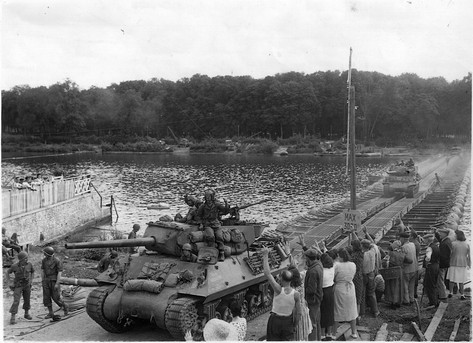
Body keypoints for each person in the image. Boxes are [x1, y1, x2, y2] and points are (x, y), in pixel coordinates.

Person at [262, 246, 301, 341]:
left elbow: (267, 273)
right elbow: (298, 313)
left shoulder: (278, 289)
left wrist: (265, 255)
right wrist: (294, 325)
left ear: (281, 279)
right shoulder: (296, 294)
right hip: (288, 321)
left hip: (275, 320)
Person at [196, 189, 230, 262]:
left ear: (212, 197)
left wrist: (226, 203)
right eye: (206, 196)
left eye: (209, 196)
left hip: (216, 223)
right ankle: (212, 252)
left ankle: (221, 253)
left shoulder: (216, 204)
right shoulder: (203, 206)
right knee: (210, 236)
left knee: (219, 236)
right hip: (207, 224)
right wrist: (201, 223)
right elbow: (198, 216)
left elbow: (225, 210)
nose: (208, 198)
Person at [333, 248, 358, 339]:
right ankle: (354, 332)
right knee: (352, 309)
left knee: (337, 310)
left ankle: (334, 332)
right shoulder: (353, 264)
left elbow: (334, 277)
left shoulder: (337, 265)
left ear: (340, 256)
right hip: (350, 287)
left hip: (340, 287)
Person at [6, 251, 35, 324]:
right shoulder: (14, 266)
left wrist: (31, 281)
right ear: (21, 259)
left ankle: (26, 313)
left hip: (27, 285)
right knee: (16, 301)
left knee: (27, 299)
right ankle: (13, 317)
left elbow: (32, 272)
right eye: (25, 258)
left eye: (27, 258)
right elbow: (7, 273)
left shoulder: (29, 264)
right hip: (18, 285)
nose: (27, 259)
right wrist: (9, 282)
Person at [288, 255, 312, 341]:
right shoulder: (301, 283)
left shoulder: (291, 290)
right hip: (303, 310)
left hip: (295, 313)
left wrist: (290, 256)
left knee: (296, 334)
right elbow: (297, 272)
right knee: (303, 334)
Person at [383, 240, 412, 308]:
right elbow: (410, 261)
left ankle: (393, 302)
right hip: (400, 271)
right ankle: (398, 302)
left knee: (392, 287)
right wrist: (403, 265)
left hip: (392, 271)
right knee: (399, 287)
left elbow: (386, 262)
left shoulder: (391, 253)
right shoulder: (402, 254)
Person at [41, 247, 68, 319]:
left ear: (48, 254)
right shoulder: (44, 260)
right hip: (46, 280)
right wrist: (43, 280)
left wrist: (57, 283)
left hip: (54, 280)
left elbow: (59, 272)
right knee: (46, 297)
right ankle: (50, 312)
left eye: (45, 253)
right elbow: (43, 270)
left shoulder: (57, 261)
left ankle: (65, 307)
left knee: (56, 297)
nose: (44, 254)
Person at [303, 248, 324, 340]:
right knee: (317, 321)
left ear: (308, 258)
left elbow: (311, 290)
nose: (304, 260)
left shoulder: (312, 271)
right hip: (318, 298)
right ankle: (318, 339)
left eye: (305, 258)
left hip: (312, 300)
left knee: (312, 324)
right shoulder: (319, 265)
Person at [447, 230, 470, 300]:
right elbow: (469, 256)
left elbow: (450, 253)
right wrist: (469, 264)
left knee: (451, 279)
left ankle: (450, 292)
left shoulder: (453, 244)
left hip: (453, 262)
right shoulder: (466, 244)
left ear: (457, 236)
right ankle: (462, 294)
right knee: (461, 280)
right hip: (463, 263)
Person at [360, 239, 380, 317]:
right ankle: (375, 311)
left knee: (362, 293)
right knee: (371, 293)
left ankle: (362, 312)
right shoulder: (373, 251)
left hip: (364, 275)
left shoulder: (362, 255)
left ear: (362, 246)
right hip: (371, 274)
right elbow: (373, 244)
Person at [320, 253, 335, 341]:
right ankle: (329, 333)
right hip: (330, 290)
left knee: (323, 312)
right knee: (330, 312)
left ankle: (322, 334)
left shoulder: (321, 271)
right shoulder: (332, 268)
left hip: (323, 291)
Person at [399, 232, 418, 305]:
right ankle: (411, 298)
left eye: (400, 238)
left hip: (407, 269)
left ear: (403, 238)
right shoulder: (412, 244)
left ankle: (406, 300)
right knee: (411, 285)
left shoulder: (403, 247)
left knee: (405, 285)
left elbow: (402, 258)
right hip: (414, 268)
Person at [422, 234, 440, 307]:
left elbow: (428, 258)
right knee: (434, 284)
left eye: (424, 240)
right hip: (436, 265)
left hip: (431, 267)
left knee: (430, 284)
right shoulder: (436, 246)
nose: (423, 241)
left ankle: (433, 302)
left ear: (427, 240)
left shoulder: (429, 248)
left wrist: (426, 264)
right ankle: (436, 300)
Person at [436, 227, 453, 300]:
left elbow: (442, 255)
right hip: (446, 263)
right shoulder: (447, 240)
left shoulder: (444, 244)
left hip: (442, 264)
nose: (440, 234)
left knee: (440, 280)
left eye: (441, 233)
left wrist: (438, 263)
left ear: (445, 234)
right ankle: (442, 293)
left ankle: (442, 295)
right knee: (442, 279)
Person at [350, 238, 365, 319]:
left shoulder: (354, 256)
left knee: (355, 298)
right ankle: (357, 316)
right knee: (359, 297)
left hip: (355, 278)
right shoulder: (361, 253)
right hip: (360, 277)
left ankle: (355, 316)